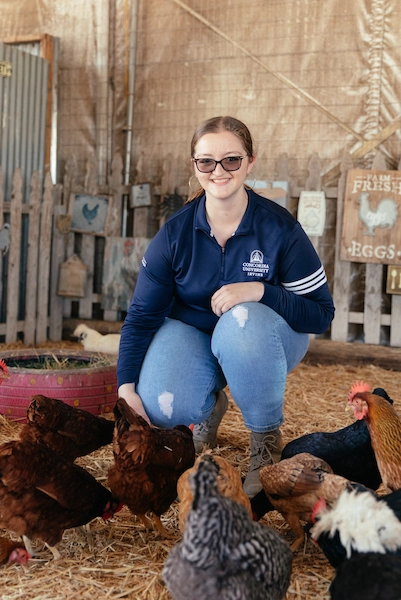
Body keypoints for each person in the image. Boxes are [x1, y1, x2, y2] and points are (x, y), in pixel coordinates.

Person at [117, 115, 335, 497]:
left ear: (250, 161)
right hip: (198, 338)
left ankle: (264, 440)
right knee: (160, 403)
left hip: (265, 340)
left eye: (231, 160)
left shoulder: (280, 228)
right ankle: (208, 406)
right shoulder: (175, 233)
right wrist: (125, 386)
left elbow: (320, 313)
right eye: (207, 162)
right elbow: (141, 317)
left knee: (243, 320)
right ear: (195, 166)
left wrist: (261, 292)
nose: (219, 171)